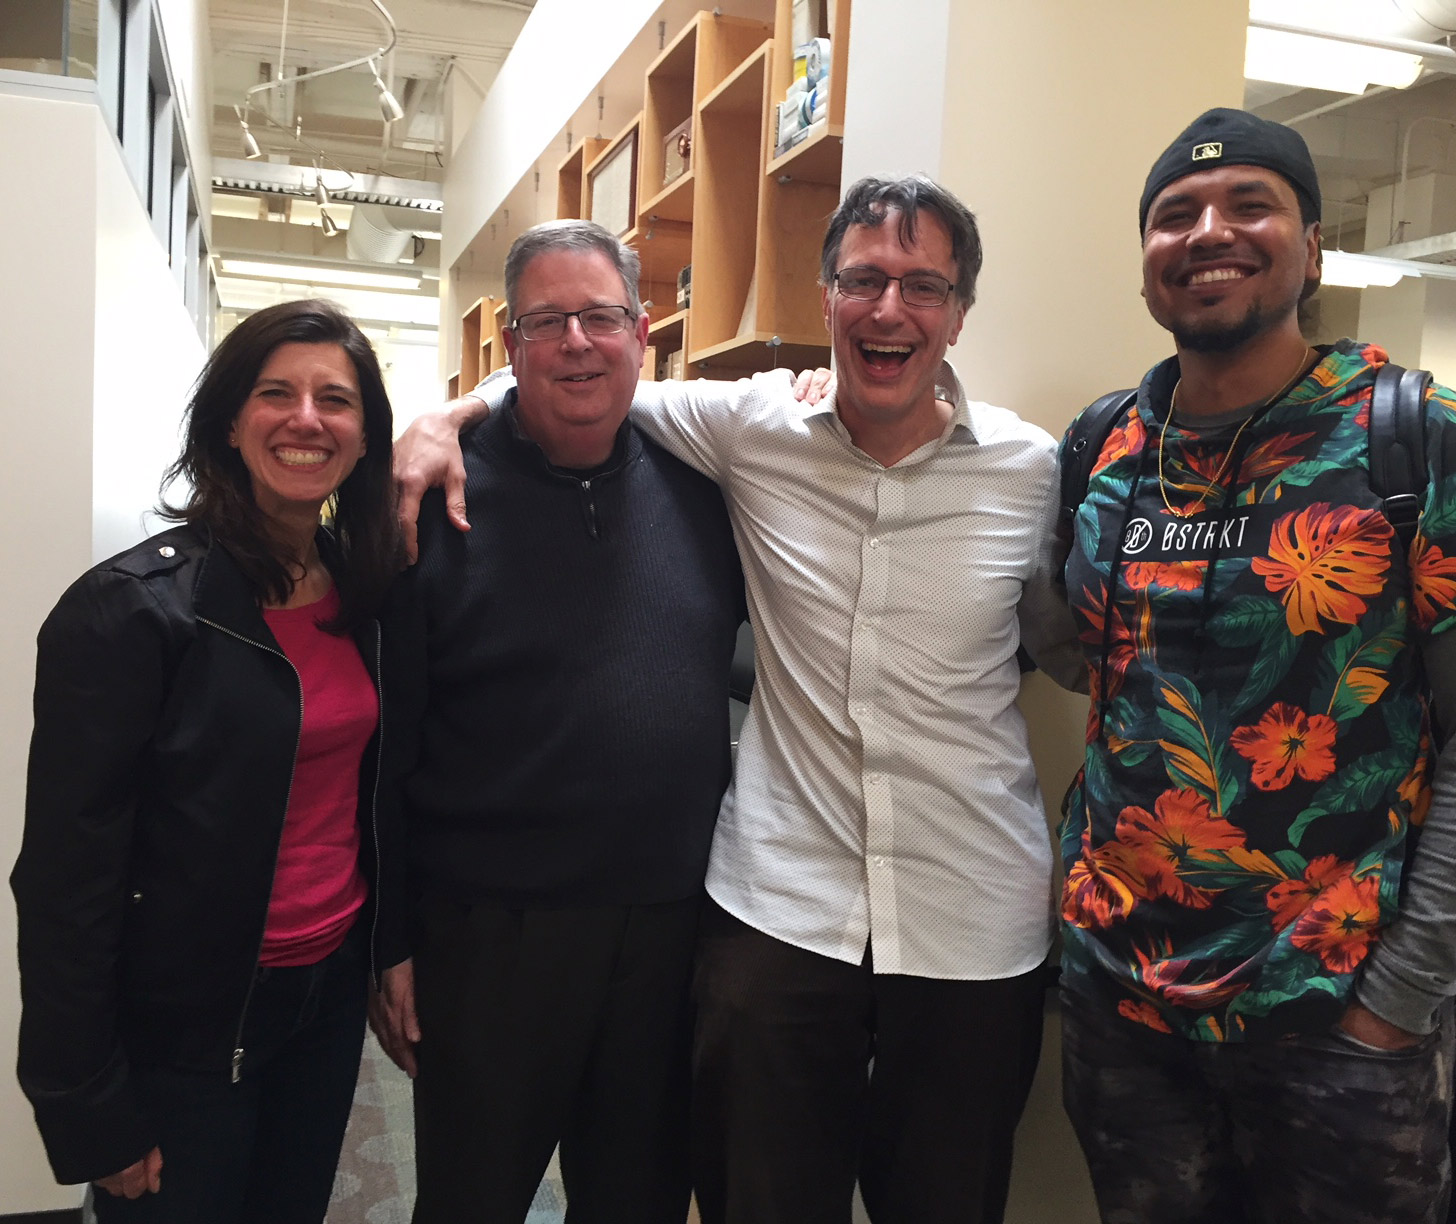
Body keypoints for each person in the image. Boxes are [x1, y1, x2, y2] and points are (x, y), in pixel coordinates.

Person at [392, 176, 1082, 1224]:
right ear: (824, 296)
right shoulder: (746, 432)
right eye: (862, 280)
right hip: (773, 915)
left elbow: (1073, 647)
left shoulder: (1034, 472)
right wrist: (442, 414)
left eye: (921, 286)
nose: (888, 309)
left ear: (958, 311)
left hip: (966, 918)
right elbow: (579, 372)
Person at [1057, 107, 1456, 1224]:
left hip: (1340, 1023)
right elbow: (1080, 661)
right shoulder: (1105, 446)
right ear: (1146, 264)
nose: (1209, 230)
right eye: (1175, 214)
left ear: (1312, 245)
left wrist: (1398, 1001)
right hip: (1124, 1012)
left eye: (1249, 203)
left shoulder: (1419, 441)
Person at [369, 219, 744, 1223]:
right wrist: (389, 940)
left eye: (600, 316)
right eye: (548, 322)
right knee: (470, 1201)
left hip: (670, 935)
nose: (577, 342)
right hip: (488, 940)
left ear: (643, 328)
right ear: (511, 350)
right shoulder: (428, 502)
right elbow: (386, 744)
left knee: (638, 1203)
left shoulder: (711, 488)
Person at [11, 298, 405, 1222]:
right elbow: (66, 881)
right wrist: (83, 1100)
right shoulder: (131, 613)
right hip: (183, 1024)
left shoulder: (369, 592)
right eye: (277, 393)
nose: (307, 419)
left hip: (324, 997)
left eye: (335, 401)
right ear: (230, 421)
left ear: (362, 436)